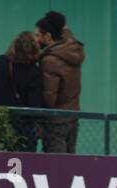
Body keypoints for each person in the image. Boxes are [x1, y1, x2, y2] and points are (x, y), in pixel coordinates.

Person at [35, 10, 85, 154]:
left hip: (55, 121)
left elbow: (49, 97)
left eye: (38, 35)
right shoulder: (72, 49)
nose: (36, 39)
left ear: (48, 36)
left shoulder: (50, 60)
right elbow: (66, 32)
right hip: (73, 116)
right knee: (69, 161)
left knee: (56, 165)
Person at [0, 31, 45, 152]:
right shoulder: (34, 73)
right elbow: (34, 106)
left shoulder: (2, 61)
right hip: (23, 128)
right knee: (26, 163)